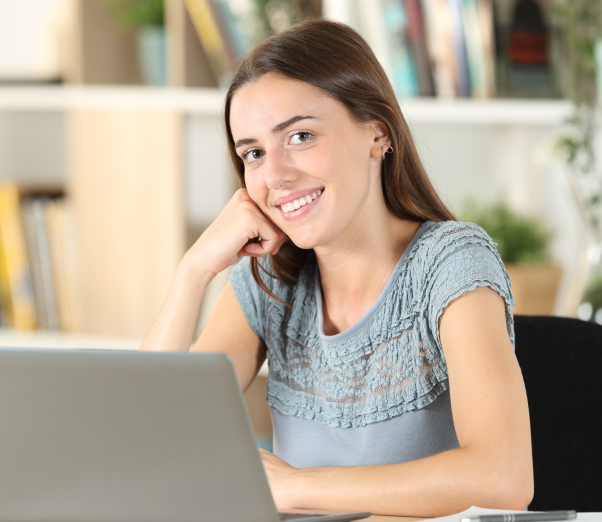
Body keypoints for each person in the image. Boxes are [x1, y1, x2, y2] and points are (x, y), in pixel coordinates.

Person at [141, 18, 533, 517]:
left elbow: (503, 478)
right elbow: (149, 441)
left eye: (301, 136)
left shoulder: (450, 263)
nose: (276, 175)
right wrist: (193, 270)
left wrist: (299, 488)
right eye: (254, 153)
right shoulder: (269, 285)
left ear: (377, 135)